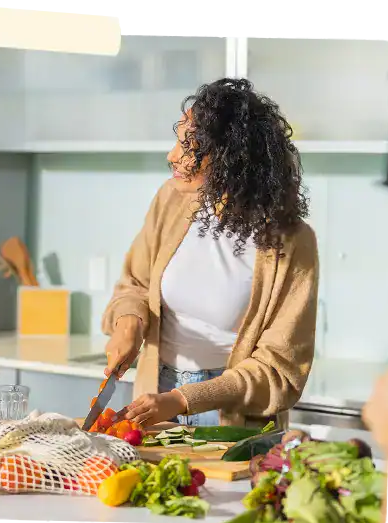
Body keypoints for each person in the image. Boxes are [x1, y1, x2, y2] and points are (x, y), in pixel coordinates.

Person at [103, 78, 319, 430]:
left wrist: (185, 398)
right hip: (154, 398)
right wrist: (129, 324)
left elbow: (281, 368)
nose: (173, 155)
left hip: (232, 418)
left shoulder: (291, 242)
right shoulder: (171, 200)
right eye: (179, 141)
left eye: (190, 146)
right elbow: (135, 284)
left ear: (231, 159)